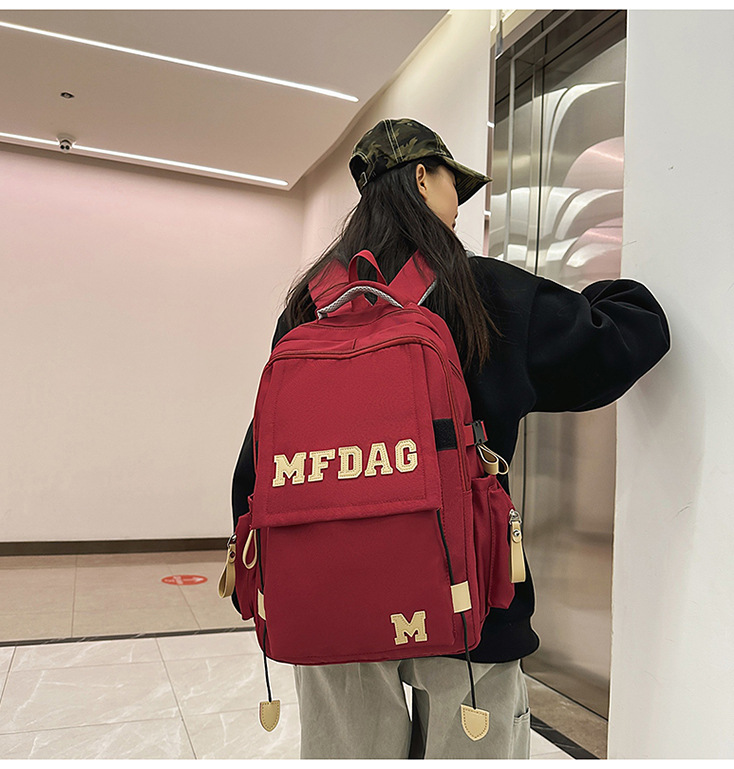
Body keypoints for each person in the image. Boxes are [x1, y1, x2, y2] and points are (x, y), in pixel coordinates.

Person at [230, 117, 671, 759]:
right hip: (469, 599)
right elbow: (617, 345)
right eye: (452, 186)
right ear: (420, 177)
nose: (458, 207)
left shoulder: (307, 307)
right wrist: (614, 289)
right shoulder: (483, 290)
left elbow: (260, 461)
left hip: (330, 599)